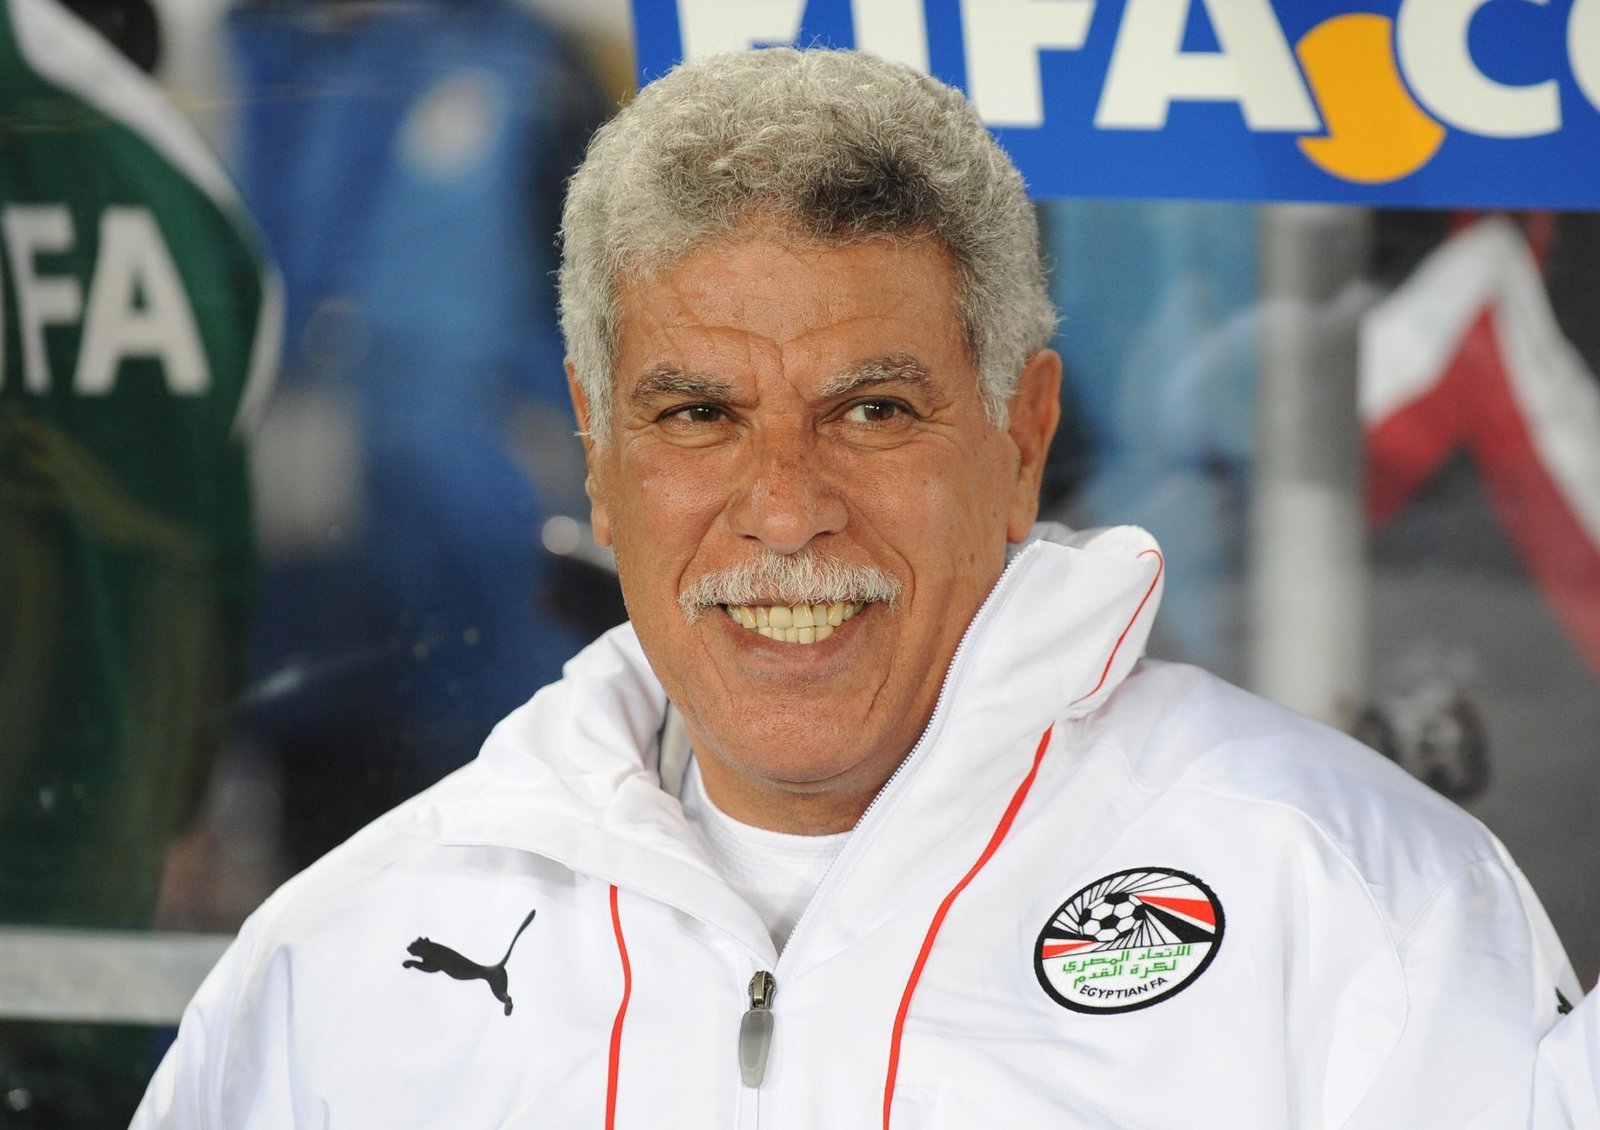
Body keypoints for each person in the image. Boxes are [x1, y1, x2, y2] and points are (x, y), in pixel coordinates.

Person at [133, 47, 1578, 1129]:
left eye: (873, 411)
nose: (784, 506)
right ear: (597, 450)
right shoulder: (341, 966)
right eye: (698, 414)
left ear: (1022, 439)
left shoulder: (1349, 906)